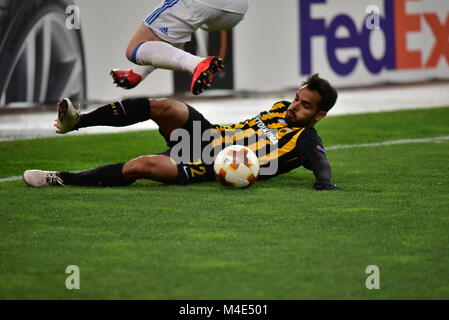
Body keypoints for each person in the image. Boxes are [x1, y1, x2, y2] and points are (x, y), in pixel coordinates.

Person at [23, 74, 341, 191]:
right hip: (207, 136)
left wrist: (324, 183)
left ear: (319, 115)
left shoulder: (305, 140)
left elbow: (320, 163)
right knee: (165, 106)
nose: (294, 106)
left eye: (305, 106)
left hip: (212, 165)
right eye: (298, 98)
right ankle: (77, 122)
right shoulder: (280, 106)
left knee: (140, 166)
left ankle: (61, 178)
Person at [111, 0, 249, 95]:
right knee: (169, 34)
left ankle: (197, 64)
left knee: (134, 49)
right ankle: (137, 73)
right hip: (237, 9)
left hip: (201, 3)